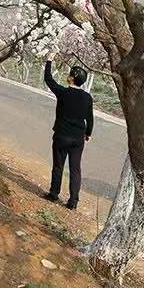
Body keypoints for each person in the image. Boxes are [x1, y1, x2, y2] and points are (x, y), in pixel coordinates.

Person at [42, 53, 94, 210]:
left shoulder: (63, 92)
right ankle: (73, 202)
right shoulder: (87, 98)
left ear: (72, 79)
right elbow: (89, 119)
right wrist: (88, 134)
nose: (68, 76)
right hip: (78, 138)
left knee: (58, 165)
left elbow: (48, 79)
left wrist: (49, 60)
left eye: (69, 74)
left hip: (62, 135)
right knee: (75, 168)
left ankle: (54, 193)